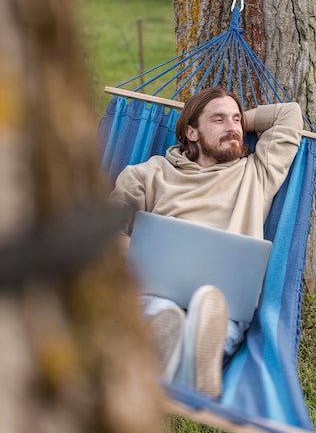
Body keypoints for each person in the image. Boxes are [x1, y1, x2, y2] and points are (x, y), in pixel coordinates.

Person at [110, 87, 303, 398]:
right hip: (156, 293)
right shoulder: (149, 174)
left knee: (214, 312)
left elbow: (289, 114)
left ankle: (182, 357)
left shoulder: (257, 175)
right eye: (218, 119)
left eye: (237, 120)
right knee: (160, 310)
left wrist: (237, 122)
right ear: (192, 132)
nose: (233, 127)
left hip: (220, 302)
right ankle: (186, 363)